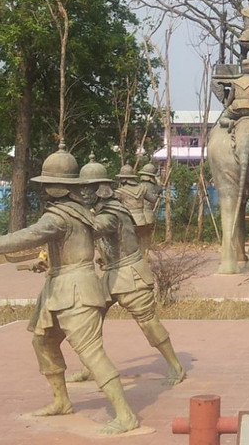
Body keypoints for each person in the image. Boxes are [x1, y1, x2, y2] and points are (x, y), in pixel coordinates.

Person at [0, 144, 138, 436]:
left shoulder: (58, 216)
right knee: (43, 341)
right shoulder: (75, 211)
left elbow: (28, 236)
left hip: (76, 290)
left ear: (54, 187)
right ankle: (61, 400)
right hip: (58, 288)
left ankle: (125, 415)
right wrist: (41, 262)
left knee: (91, 354)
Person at [70, 157, 186, 386]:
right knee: (91, 319)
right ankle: (90, 366)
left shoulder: (112, 212)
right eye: (81, 188)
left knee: (148, 322)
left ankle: (175, 365)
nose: (82, 193)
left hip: (130, 274)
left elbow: (96, 228)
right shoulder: (99, 209)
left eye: (87, 188)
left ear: (99, 189)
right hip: (111, 275)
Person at [114, 161, 160, 255]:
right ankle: (144, 262)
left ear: (123, 179)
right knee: (142, 244)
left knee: (128, 246)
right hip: (142, 221)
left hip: (129, 222)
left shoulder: (120, 192)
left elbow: (112, 204)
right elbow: (153, 199)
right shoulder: (142, 188)